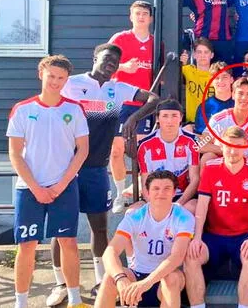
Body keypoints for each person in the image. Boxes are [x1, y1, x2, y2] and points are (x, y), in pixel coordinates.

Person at [49, 43, 159, 302]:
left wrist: (132, 119)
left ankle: (101, 280)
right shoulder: (71, 83)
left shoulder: (118, 88)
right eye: (107, 58)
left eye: (115, 61)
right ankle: (60, 284)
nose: (111, 64)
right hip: (63, 168)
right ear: (95, 57)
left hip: (97, 168)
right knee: (61, 230)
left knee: (100, 228)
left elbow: (153, 99)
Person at [8, 55, 89, 308]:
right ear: (41, 73)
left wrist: (60, 185)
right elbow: (14, 153)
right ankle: (21, 303)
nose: (55, 81)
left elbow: (82, 150)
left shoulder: (74, 109)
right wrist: (36, 188)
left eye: (61, 78)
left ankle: (75, 300)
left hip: (63, 188)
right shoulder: (23, 109)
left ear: (66, 80)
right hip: (29, 189)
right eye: (51, 76)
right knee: (27, 246)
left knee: (69, 242)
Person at [183, 126, 248, 308]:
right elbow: (202, 204)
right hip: (215, 235)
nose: (233, 151)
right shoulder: (210, 168)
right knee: (191, 256)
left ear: (245, 146)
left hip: (245, 234)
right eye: (228, 146)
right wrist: (197, 237)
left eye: (238, 146)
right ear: (221, 146)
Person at [94, 170, 194, 308]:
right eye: (156, 189)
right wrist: (120, 279)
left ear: (174, 192)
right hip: (137, 275)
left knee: (172, 279)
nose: (161, 193)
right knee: (110, 278)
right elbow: (110, 252)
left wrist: (148, 282)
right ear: (147, 192)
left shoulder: (184, 217)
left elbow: (177, 257)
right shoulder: (136, 216)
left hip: (165, 279)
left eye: (167, 188)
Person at [108, 0, 155, 214]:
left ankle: (135, 192)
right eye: (137, 13)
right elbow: (101, 63)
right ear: (131, 16)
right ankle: (119, 194)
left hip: (144, 104)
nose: (141, 17)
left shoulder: (156, 42)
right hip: (121, 102)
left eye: (145, 13)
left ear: (150, 18)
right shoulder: (120, 39)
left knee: (142, 152)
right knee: (116, 150)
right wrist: (123, 66)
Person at [136, 99, 199, 209]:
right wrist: (154, 205)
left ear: (181, 117)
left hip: (182, 196)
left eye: (174, 115)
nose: (170, 121)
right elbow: (145, 182)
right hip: (156, 197)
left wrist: (179, 203)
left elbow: (195, 179)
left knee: (193, 208)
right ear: (157, 119)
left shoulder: (192, 141)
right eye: (165, 116)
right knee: (131, 212)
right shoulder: (145, 145)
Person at [202, 77, 248, 164]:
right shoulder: (220, 119)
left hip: (244, 168)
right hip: (219, 165)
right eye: (240, 93)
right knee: (207, 157)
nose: (244, 98)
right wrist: (228, 150)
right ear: (233, 94)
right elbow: (200, 145)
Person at [179, 38, 214, 128]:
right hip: (192, 123)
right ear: (194, 55)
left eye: (206, 52)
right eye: (199, 52)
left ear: (212, 55)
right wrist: (181, 63)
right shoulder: (187, 70)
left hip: (212, 123)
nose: (203, 55)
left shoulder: (217, 75)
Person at [194, 61, 234, 135]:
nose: (220, 81)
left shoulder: (240, 103)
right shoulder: (205, 107)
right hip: (214, 145)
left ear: (231, 79)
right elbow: (200, 138)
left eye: (224, 77)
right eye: (216, 78)